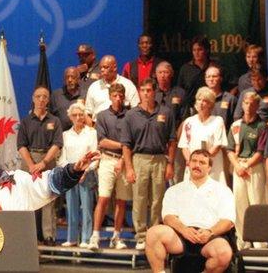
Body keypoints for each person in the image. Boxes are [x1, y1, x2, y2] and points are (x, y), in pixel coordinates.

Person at [145, 149, 235, 273]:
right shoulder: (174, 190)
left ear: (209, 168)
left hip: (210, 236)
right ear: (189, 164)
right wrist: (183, 229)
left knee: (223, 252)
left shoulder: (223, 190)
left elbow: (228, 221)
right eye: (194, 161)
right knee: (153, 233)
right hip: (181, 236)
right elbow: (168, 217)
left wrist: (210, 232)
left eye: (202, 162)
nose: (197, 165)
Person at [121, 78, 176, 250]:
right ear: (139, 92)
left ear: (155, 92)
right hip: (139, 159)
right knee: (139, 198)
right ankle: (141, 236)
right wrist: (129, 168)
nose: (146, 93)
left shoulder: (165, 112)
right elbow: (126, 144)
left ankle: (154, 233)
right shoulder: (131, 115)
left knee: (157, 199)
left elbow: (172, 140)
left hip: (160, 158)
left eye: (149, 90)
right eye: (143, 90)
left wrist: (170, 163)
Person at [87, 83, 132, 250]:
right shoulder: (103, 116)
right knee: (103, 198)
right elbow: (102, 141)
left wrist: (123, 158)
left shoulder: (130, 115)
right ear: (110, 96)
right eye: (115, 96)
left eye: (121, 96)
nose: (118, 99)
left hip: (125, 161)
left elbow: (132, 141)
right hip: (107, 160)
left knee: (121, 201)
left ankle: (116, 237)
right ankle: (95, 236)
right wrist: (122, 145)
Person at [17, 86, 63, 245]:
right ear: (33, 98)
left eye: (45, 96)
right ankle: (29, 236)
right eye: (38, 96)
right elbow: (21, 145)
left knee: (48, 199)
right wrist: (31, 164)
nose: (41, 99)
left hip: (48, 159)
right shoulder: (26, 121)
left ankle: (49, 236)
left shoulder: (54, 120)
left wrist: (43, 162)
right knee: (28, 199)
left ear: (48, 99)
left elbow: (57, 144)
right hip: (29, 161)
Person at [226, 91, 268, 249]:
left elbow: (261, 151)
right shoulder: (235, 125)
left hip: (254, 168)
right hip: (238, 168)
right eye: (246, 102)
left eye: (252, 103)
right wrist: (237, 166)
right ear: (242, 104)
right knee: (240, 204)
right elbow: (229, 149)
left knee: (256, 204)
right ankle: (242, 242)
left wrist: (247, 165)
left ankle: (260, 243)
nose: (248, 106)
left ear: (257, 106)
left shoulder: (261, 126)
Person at [57, 103, 98, 247]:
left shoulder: (91, 132)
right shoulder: (65, 135)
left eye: (81, 114)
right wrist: (69, 171)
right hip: (70, 173)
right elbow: (62, 158)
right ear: (70, 117)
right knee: (71, 207)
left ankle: (86, 239)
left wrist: (85, 171)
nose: (78, 117)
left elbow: (94, 155)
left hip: (86, 174)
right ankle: (72, 238)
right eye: (75, 115)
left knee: (87, 207)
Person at [178, 87, 228, 184]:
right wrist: (193, 162)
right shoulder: (189, 122)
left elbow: (217, 146)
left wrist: (202, 162)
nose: (201, 103)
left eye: (205, 101)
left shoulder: (218, 121)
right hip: (193, 166)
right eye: (199, 100)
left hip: (212, 165)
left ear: (211, 105)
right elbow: (184, 146)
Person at [84, 55, 139, 124]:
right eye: (101, 67)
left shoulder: (127, 85)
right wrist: (92, 129)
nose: (102, 70)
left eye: (106, 67)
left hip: (122, 127)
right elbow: (88, 113)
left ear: (115, 67)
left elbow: (136, 110)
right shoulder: (94, 87)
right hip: (98, 128)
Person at [177, 35, 212, 118]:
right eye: (194, 50)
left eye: (200, 50)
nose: (196, 53)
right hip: (190, 109)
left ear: (206, 50)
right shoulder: (185, 68)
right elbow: (179, 90)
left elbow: (232, 85)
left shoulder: (214, 67)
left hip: (210, 108)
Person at [50, 66, 87, 131]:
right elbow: (50, 117)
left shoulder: (85, 94)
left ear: (78, 79)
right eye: (67, 77)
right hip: (61, 136)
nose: (70, 80)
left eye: (72, 77)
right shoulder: (56, 95)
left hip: (82, 135)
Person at [204, 65, 237, 130]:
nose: (211, 79)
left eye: (214, 76)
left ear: (221, 79)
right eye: (208, 77)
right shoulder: (201, 98)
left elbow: (235, 123)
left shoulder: (230, 99)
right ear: (205, 80)